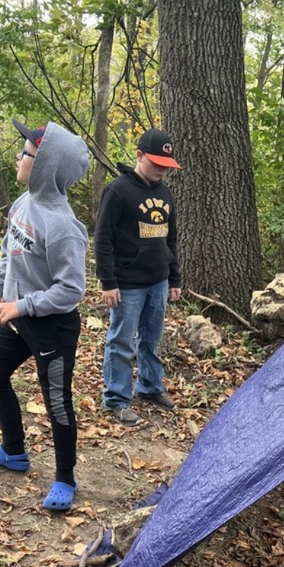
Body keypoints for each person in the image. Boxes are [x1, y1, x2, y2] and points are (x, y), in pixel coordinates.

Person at [0, 120, 89, 513]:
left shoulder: (63, 227)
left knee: (56, 403)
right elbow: (9, 253)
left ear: (43, 167)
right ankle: (14, 451)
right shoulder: (23, 204)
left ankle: (65, 479)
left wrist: (21, 306)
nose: (18, 157)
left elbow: (71, 290)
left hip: (51, 325)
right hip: (18, 316)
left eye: (26, 153)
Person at [94, 128, 182, 425]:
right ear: (139, 155)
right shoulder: (117, 191)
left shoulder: (165, 193)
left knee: (151, 339)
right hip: (127, 283)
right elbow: (102, 238)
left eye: (166, 166)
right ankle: (117, 399)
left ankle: (150, 386)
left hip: (157, 281)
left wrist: (174, 279)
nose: (161, 171)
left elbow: (170, 239)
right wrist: (108, 281)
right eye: (156, 163)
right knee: (121, 342)